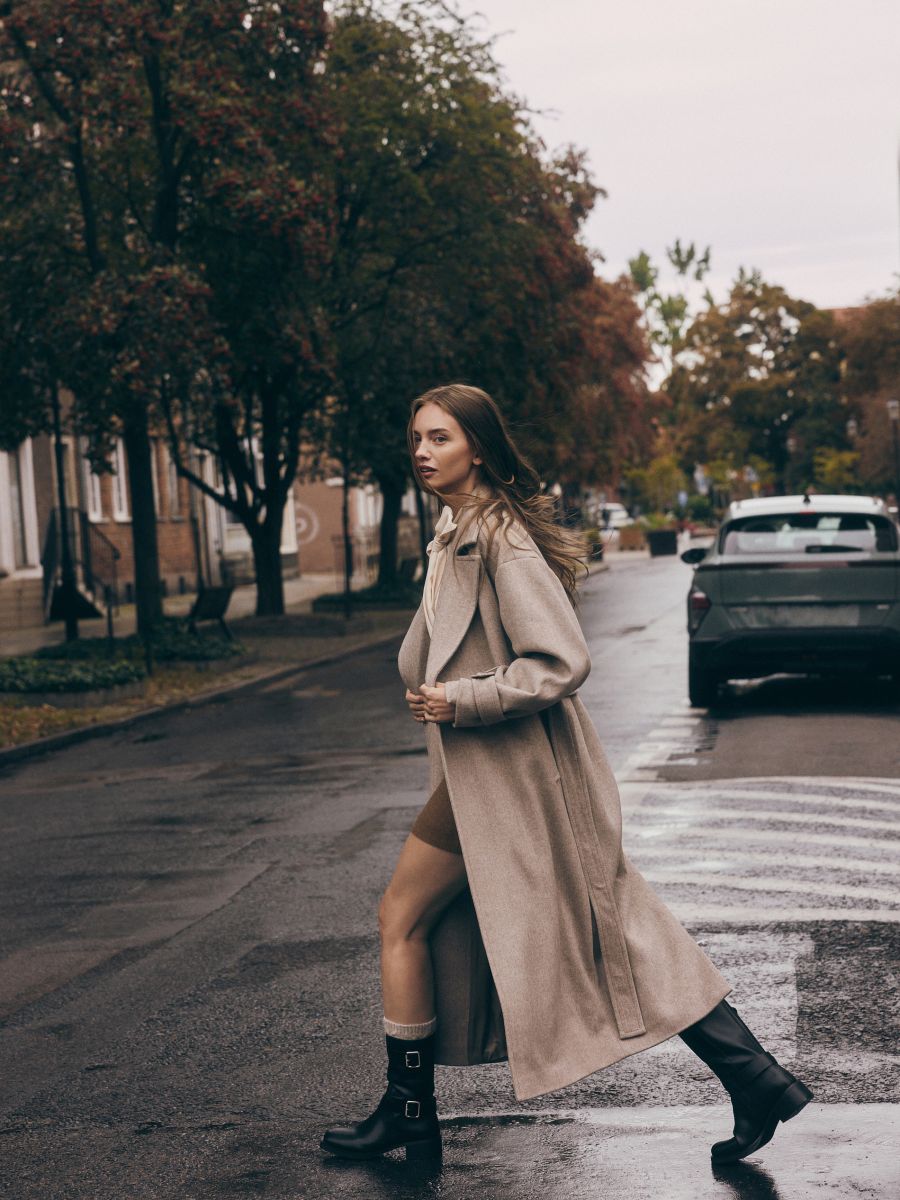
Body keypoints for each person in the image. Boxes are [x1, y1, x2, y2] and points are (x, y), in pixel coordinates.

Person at [320, 383, 812, 1165]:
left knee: (409, 917)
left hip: (517, 775)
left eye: (440, 438)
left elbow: (562, 660)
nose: (421, 450)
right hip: (487, 775)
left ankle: (408, 1111)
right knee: (613, 928)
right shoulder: (457, 533)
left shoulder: (500, 539)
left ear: (476, 447)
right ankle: (756, 1080)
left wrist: (465, 699)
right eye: (416, 436)